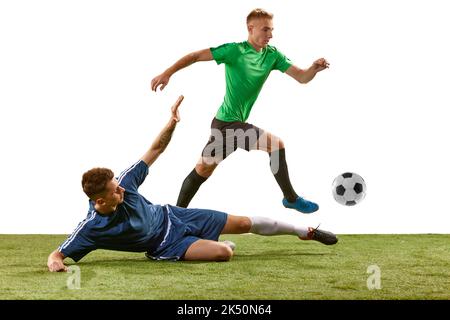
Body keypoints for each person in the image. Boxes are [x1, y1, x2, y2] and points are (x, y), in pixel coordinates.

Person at [47, 96, 337, 272]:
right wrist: (55, 261)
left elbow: (155, 150)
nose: (120, 189)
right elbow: (58, 253)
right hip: (165, 244)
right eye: (114, 191)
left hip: (175, 215)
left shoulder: (125, 183)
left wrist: (171, 123)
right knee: (224, 253)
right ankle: (210, 244)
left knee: (245, 222)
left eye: (118, 185)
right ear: (100, 201)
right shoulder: (91, 228)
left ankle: (305, 232)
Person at [151, 8, 329, 214]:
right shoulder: (234, 51)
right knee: (275, 145)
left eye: (272, 30)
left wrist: (313, 69)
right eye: (265, 30)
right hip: (226, 124)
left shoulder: (272, 55)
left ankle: (175, 214)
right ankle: (291, 199)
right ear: (250, 28)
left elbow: (301, 77)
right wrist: (167, 73)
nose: (270, 35)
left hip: (226, 125)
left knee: (202, 170)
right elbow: (195, 56)